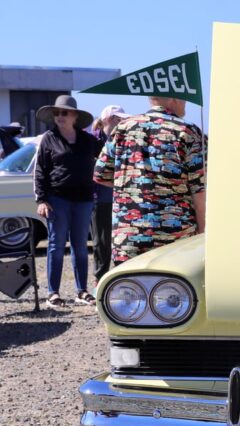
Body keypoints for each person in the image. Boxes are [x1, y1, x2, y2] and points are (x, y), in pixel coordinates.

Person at [94, 96, 205, 265]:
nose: (186, 104)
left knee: (128, 288)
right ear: (173, 98)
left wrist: (134, 187)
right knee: (173, 289)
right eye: (184, 99)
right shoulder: (187, 131)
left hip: (128, 235)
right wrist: (203, 234)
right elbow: (200, 191)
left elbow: (100, 175)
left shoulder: (122, 128)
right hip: (175, 237)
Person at [34, 95, 100, 308]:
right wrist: (41, 199)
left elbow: (108, 156)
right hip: (57, 199)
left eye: (64, 112)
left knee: (80, 246)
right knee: (55, 245)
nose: (59, 116)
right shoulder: (48, 139)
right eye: (57, 113)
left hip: (83, 200)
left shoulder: (88, 140)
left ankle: (81, 291)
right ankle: (52, 293)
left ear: (74, 116)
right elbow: (40, 171)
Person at [89, 105, 130, 288]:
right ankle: (100, 281)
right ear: (107, 120)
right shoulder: (93, 141)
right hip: (100, 197)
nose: (121, 122)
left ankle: (117, 281)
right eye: (117, 119)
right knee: (101, 243)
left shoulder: (122, 139)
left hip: (120, 198)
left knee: (120, 242)